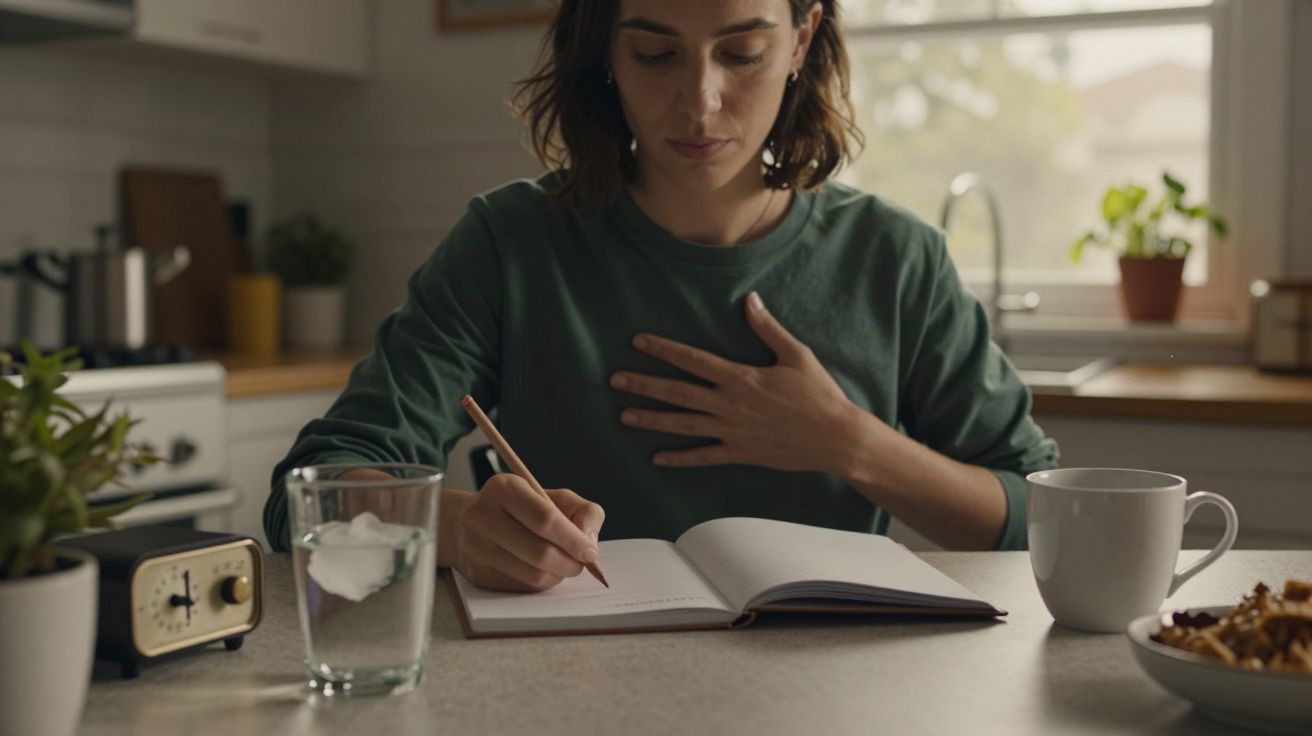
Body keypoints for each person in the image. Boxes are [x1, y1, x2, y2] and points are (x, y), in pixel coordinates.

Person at [264, 0, 1058, 593]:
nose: (699, 101)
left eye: (742, 52)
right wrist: (460, 527)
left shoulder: (896, 258)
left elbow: (1039, 517)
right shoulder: (511, 243)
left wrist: (849, 443)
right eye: (654, 53)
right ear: (605, 50)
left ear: (801, 40)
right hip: (571, 683)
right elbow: (311, 492)